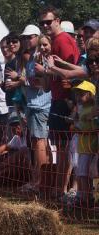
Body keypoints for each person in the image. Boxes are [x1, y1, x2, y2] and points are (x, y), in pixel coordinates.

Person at [38, 6, 80, 199]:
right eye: (42, 23)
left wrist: (72, 102)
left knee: (64, 149)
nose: (46, 25)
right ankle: (60, 188)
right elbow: (48, 84)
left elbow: (73, 73)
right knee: (61, 148)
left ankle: (62, 189)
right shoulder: (55, 42)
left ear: (58, 20)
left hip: (65, 100)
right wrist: (45, 71)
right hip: (57, 99)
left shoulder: (63, 40)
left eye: (49, 21)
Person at [19, 30, 53, 194]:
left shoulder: (45, 61)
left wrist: (31, 79)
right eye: (40, 45)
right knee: (36, 142)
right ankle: (38, 180)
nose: (42, 48)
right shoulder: (32, 60)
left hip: (41, 106)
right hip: (32, 105)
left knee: (40, 142)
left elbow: (44, 84)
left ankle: (40, 182)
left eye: (45, 44)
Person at [71, 81, 98, 209]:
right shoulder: (81, 109)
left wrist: (80, 130)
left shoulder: (92, 110)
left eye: (81, 93)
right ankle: (83, 197)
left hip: (89, 147)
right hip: (82, 147)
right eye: (77, 93)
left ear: (90, 94)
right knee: (81, 173)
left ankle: (87, 199)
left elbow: (94, 128)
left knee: (85, 174)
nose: (78, 96)